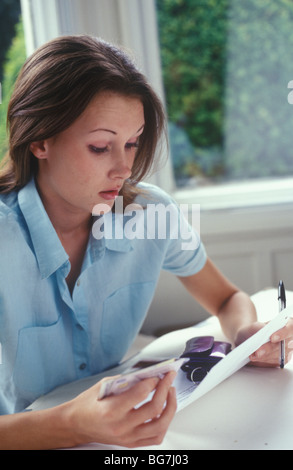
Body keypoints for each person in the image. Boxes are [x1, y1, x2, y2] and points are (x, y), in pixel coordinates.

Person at [0, 35, 292, 450]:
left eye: (133, 142)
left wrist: (246, 333)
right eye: (100, 146)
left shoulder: (150, 215)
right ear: (40, 140)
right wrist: (74, 424)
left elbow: (227, 299)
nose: (124, 167)